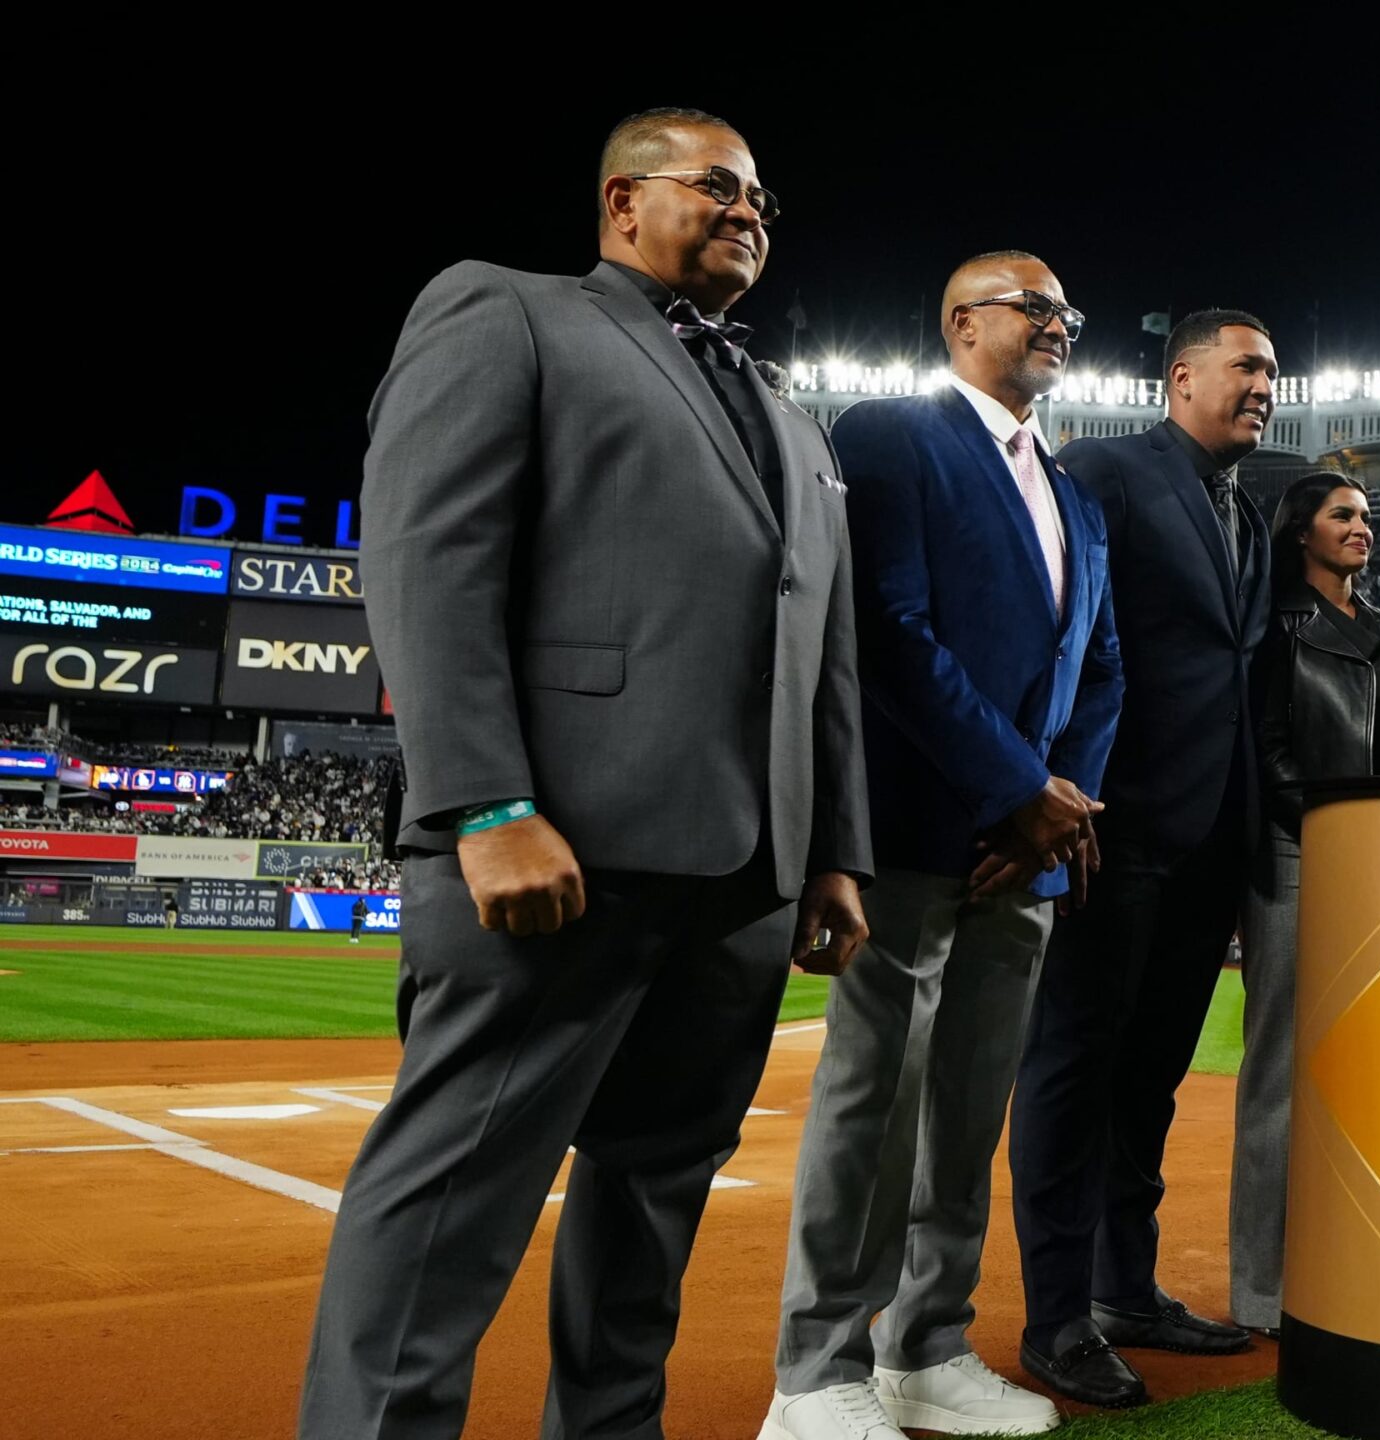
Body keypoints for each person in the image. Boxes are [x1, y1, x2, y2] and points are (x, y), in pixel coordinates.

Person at [300, 108, 873, 1440]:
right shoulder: (507, 314)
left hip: (744, 882)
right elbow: (429, 565)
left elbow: (824, 654)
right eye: (719, 188)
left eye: (764, 200)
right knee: (448, 1210)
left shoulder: (791, 414)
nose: (751, 213)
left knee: (651, 1212)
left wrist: (832, 848)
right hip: (556, 854)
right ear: (624, 201)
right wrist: (485, 803)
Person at [766, 252, 1122, 1440]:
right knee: (874, 1101)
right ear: (961, 321)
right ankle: (817, 1371)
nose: (1058, 323)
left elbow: (1099, 669)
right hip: (917, 831)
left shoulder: (1070, 493)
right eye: (1035, 305)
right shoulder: (893, 433)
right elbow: (892, 631)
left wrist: (1057, 810)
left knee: (968, 1111)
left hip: (1023, 854)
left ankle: (928, 1346)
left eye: (1066, 310)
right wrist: (1015, 789)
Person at [1009, 309, 1277, 1408]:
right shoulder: (1106, 471)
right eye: (1249, 367)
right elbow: (1058, 628)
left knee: (1151, 1081)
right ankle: (1058, 1316)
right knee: (1073, 1071)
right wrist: (1049, 790)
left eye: (1274, 373)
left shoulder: (1247, 516)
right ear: (1180, 375)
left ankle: (1129, 1287)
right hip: (1108, 830)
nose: (1267, 386)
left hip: (1210, 839)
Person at [1232, 472, 1380, 1335]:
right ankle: (1262, 1287)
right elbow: (1268, 747)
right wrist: (1329, 831)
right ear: (1300, 530)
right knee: (1281, 1069)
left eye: (1368, 515)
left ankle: (1355, 1259)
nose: (1362, 527)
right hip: (1298, 854)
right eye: (1342, 514)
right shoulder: (1272, 625)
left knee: (1372, 1073)